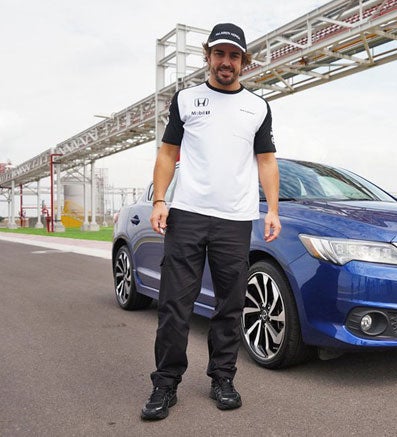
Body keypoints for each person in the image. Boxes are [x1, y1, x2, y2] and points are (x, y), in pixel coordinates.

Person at [140, 22, 281, 421]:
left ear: (243, 62)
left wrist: (272, 209)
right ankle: (165, 385)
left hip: (235, 219)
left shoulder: (258, 106)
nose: (226, 62)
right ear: (208, 56)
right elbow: (168, 154)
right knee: (174, 305)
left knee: (230, 305)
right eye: (219, 54)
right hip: (187, 214)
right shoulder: (185, 100)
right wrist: (161, 200)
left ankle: (223, 378)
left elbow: (266, 161)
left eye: (234, 55)